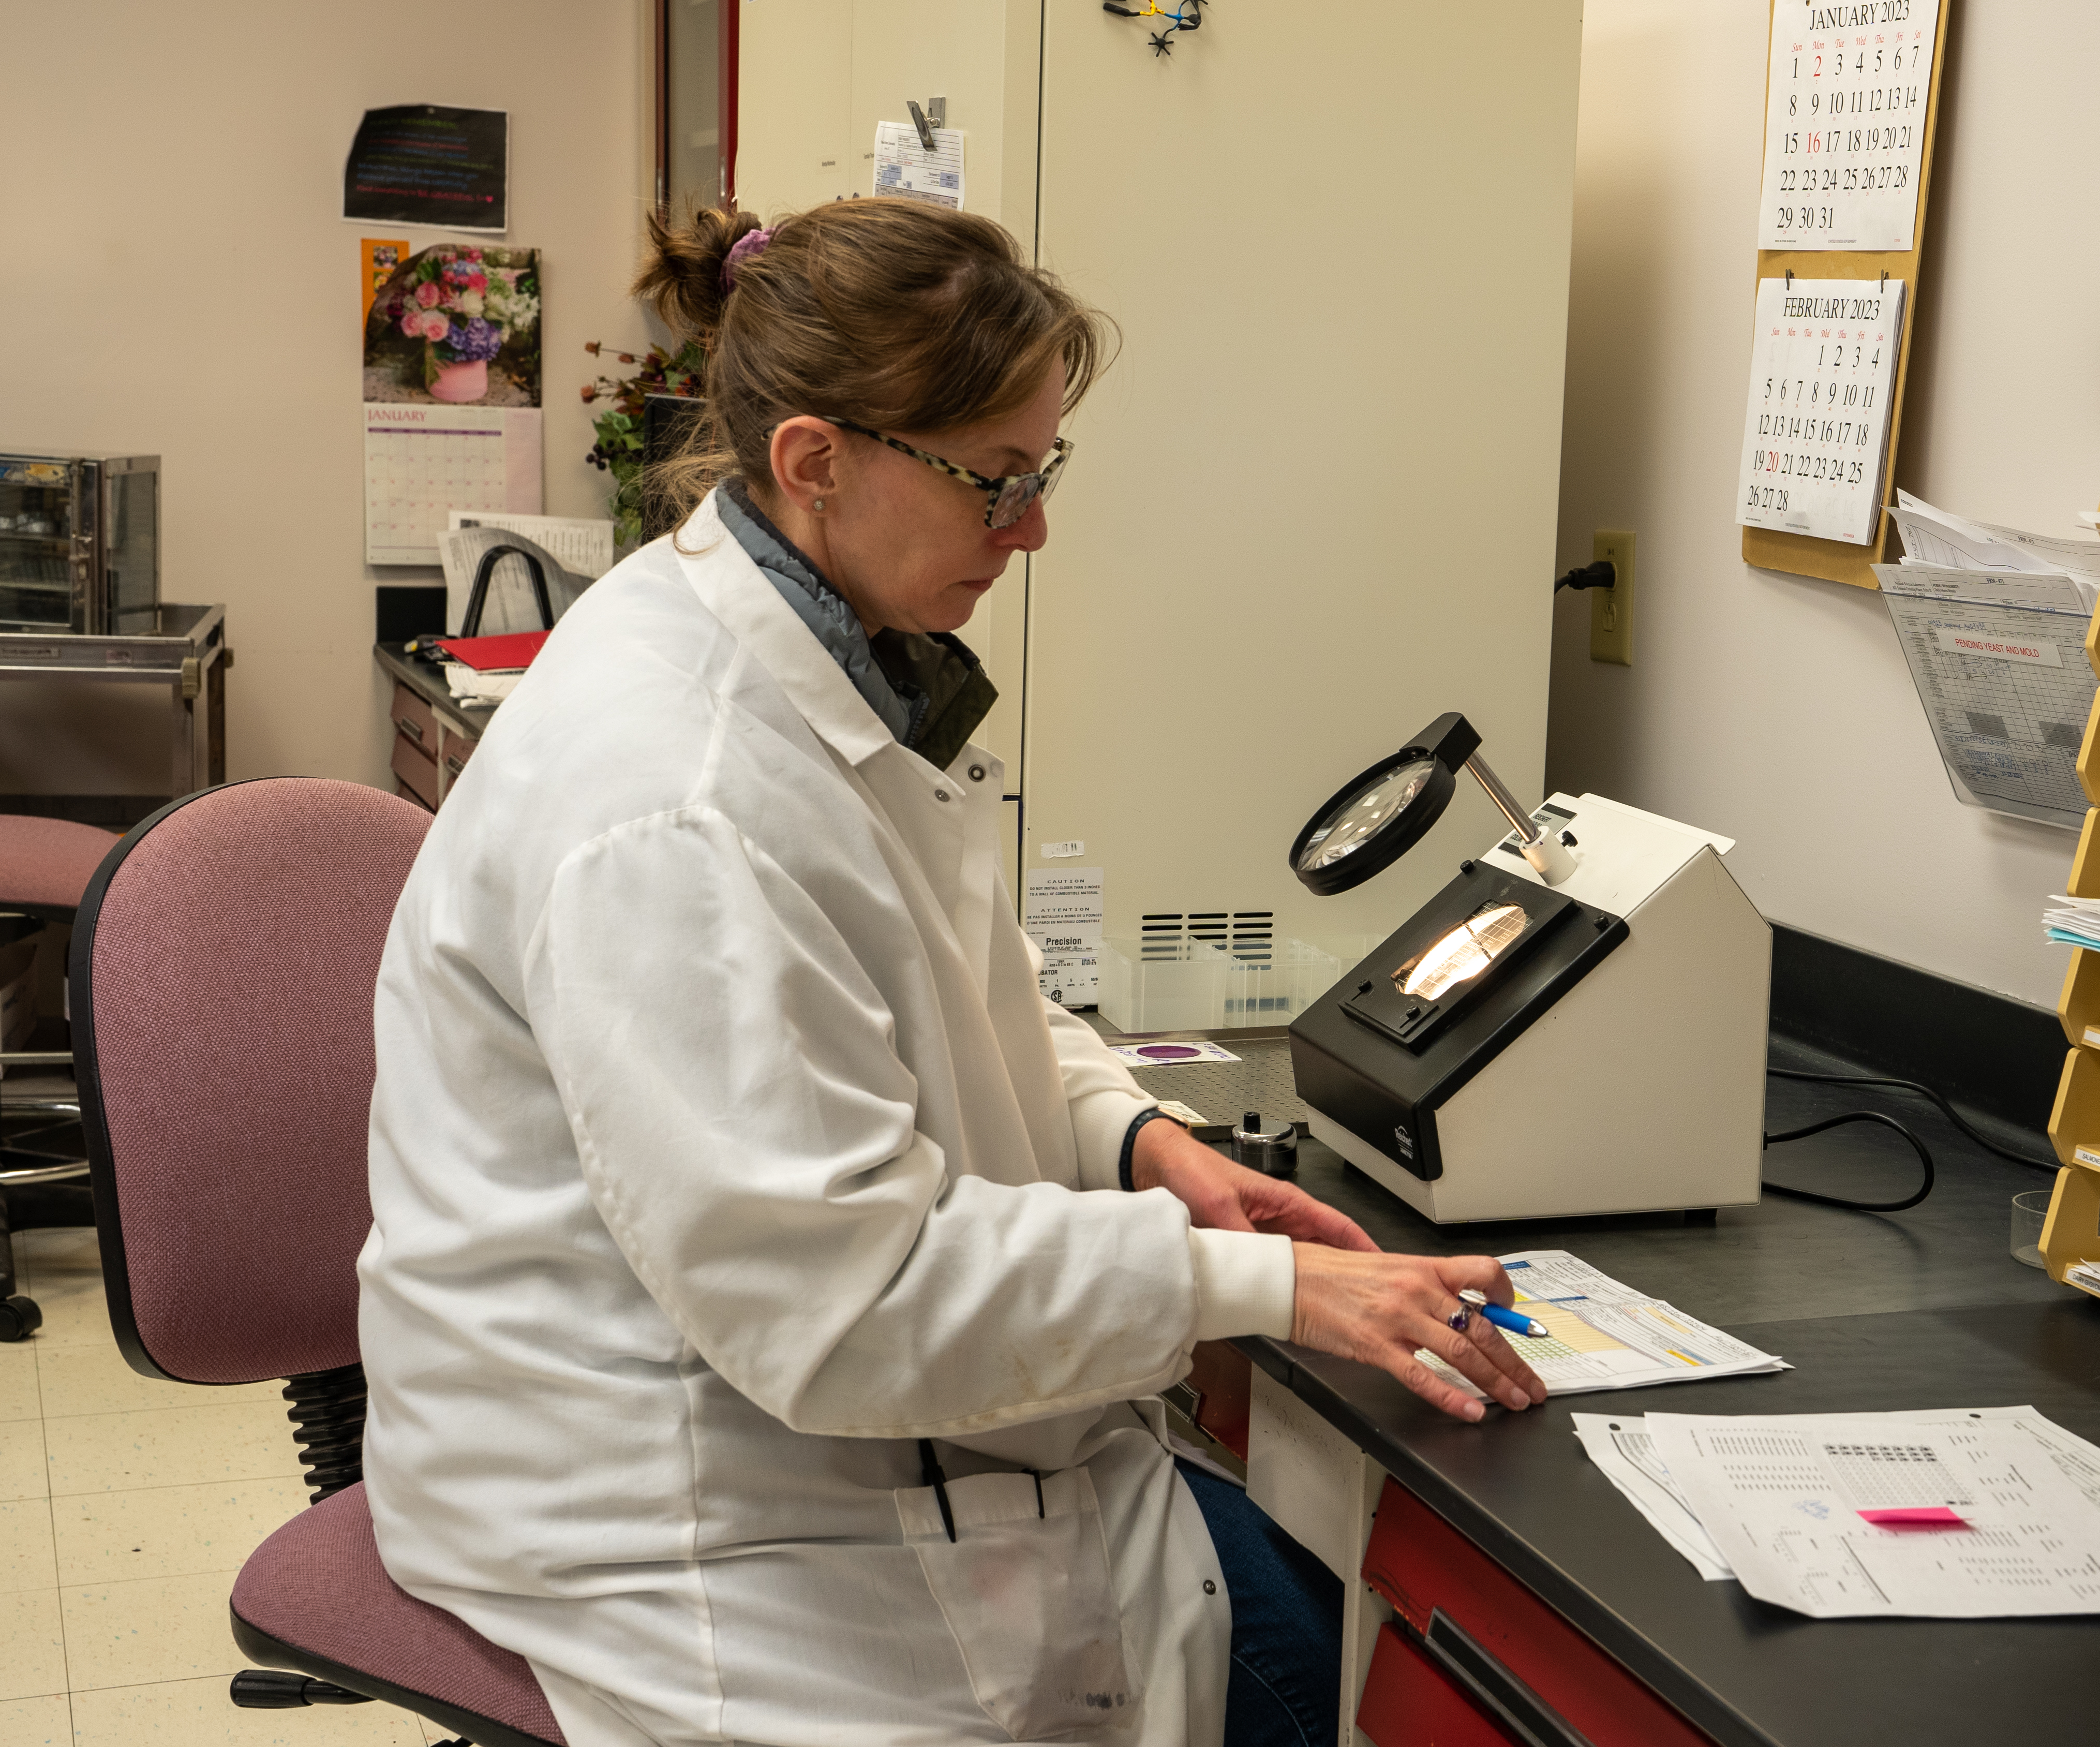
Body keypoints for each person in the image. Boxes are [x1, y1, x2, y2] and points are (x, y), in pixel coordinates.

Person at [355, 198, 1548, 1747]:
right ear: (814, 461)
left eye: (1044, 474)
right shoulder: (682, 795)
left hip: (842, 1435)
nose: (1033, 528)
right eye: (997, 481)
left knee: (1326, 1647)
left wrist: (1140, 1139)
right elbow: (844, 1305)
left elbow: (958, 995)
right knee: (1338, 1689)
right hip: (692, 1514)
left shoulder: (832, 670)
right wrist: (1261, 1287)